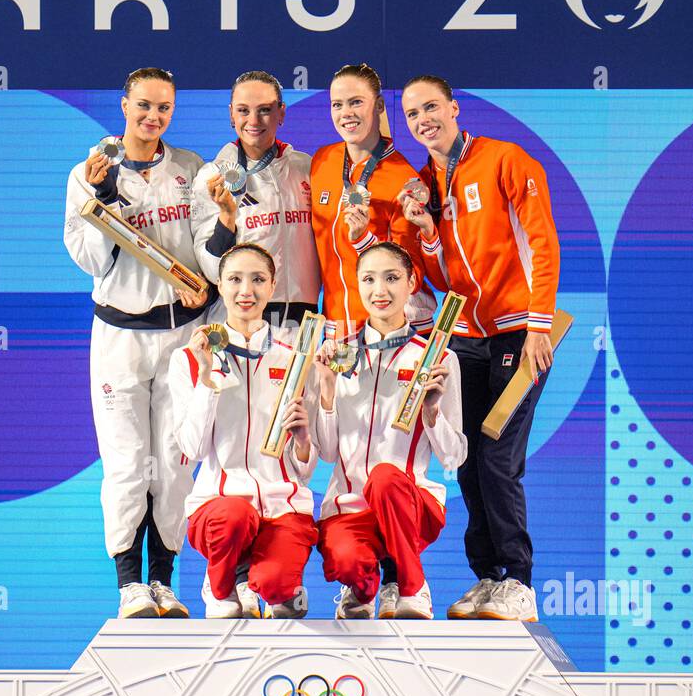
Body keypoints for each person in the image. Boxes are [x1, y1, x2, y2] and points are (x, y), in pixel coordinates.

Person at [396, 74, 561, 622]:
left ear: (454, 108)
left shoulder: (506, 160)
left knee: (498, 456)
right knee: (467, 461)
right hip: (466, 338)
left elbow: (541, 242)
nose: (423, 121)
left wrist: (539, 324)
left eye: (431, 108)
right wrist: (424, 231)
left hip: (519, 332)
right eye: (413, 114)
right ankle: (488, 579)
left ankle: (519, 581)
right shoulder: (427, 181)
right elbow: (446, 277)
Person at [64, 67, 208, 620]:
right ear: (123, 105)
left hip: (180, 335)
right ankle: (129, 585)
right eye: (144, 105)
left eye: (164, 108)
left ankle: (164, 582)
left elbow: (204, 247)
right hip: (119, 336)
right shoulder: (88, 173)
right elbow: (88, 258)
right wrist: (106, 199)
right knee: (127, 464)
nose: (153, 117)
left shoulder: (191, 169)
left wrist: (212, 289)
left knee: (174, 464)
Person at [313, 242, 467, 619]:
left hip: (411, 504)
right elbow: (329, 452)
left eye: (391, 278)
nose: (379, 291)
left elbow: (454, 456)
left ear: (412, 283)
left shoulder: (438, 357)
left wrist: (431, 413)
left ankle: (413, 587)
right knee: (345, 562)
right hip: (349, 508)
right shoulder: (337, 356)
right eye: (368, 279)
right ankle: (363, 588)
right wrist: (328, 392)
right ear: (357, 284)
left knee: (384, 477)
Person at [169, 243, 319, 619]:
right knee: (235, 517)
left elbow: (305, 467)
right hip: (220, 508)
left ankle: (270, 581)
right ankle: (220, 586)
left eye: (257, 280)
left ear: (273, 287)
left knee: (277, 588)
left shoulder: (295, 356)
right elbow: (192, 447)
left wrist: (302, 441)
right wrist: (208, 379)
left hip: (281, 504)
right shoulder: (190, 356)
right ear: (219, 285)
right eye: (234, 279)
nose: (245, 291)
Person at [310, 63, 435, 344]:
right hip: (337, 331)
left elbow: (412, 273)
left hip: (393, 331)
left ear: (379, 105)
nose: (346, 113)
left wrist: (363, 240)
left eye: (356, 102)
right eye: (337, 104)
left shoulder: (404, 178)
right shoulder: (322, 160)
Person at [192, 70, 320, 329]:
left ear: (281, 113)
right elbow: (211, 267)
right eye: (243, 110)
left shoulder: (306, 168)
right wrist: (227, 217)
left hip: (303, 318)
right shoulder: (213, 175)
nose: (253, 120)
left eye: (264, 110)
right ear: (231, 114)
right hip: (240, 319)